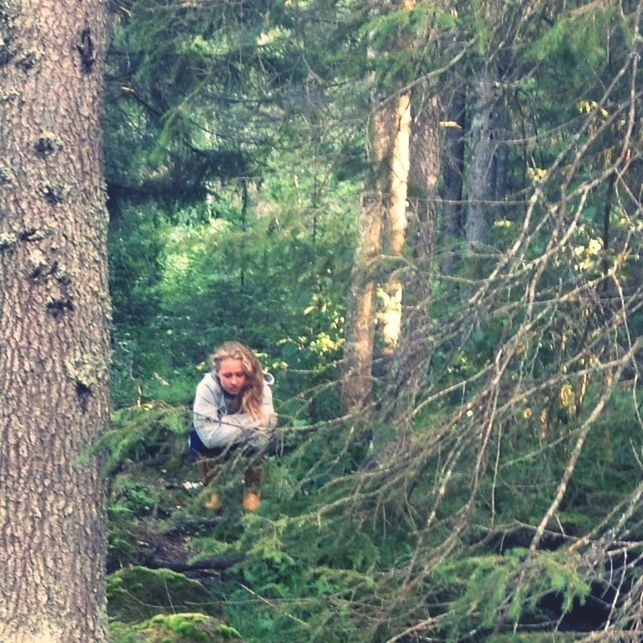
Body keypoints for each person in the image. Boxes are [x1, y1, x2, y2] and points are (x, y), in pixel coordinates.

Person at [189, 341, 276, 512]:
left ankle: (252, 492)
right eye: (227, 375)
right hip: (213, 446)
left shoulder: (261, 387)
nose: (234, 381)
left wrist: (223, 425)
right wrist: (252, 420)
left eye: (239, 375)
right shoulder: (207, 387)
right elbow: (210, 437)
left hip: (247, 444)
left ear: (248, 374)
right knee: (197, 437)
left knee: (261, 440)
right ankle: (211, 491)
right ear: (217, 373)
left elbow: (268, 425)